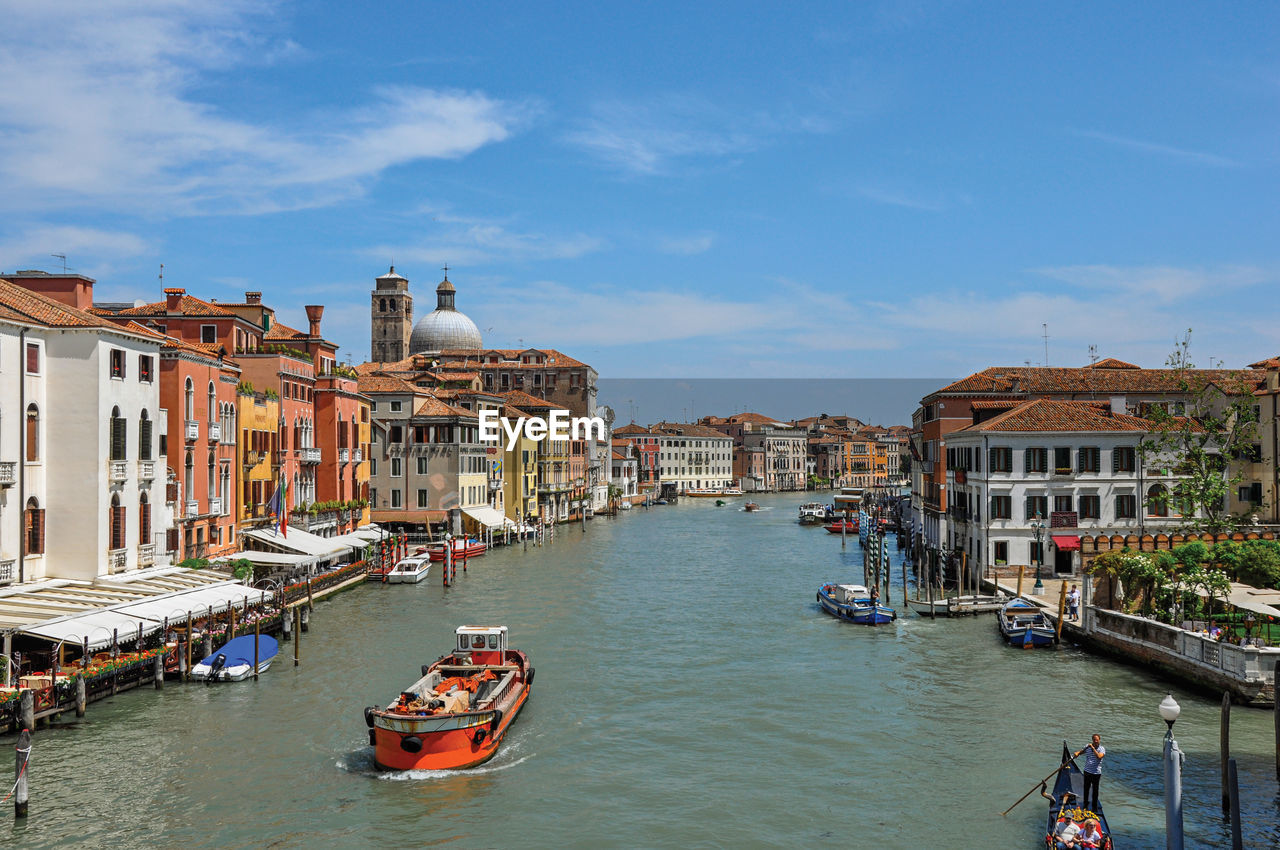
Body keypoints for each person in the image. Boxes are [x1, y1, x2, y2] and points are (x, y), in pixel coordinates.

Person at [1074, 734, 1105, 811]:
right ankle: (1085, 805)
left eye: (1097, 740)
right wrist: (1077, 753)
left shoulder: (1102, 749)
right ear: (1092, 740)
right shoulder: (1087, 747)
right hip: (1087, 771)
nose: (1096, 741)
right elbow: (1081, 752)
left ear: (1099, 740)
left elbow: (1099, 756)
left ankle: (1094, 807)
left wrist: (1093, 748)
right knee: (1086, 789)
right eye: (1094, 740)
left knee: (1095, 790)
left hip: (1096, 773)